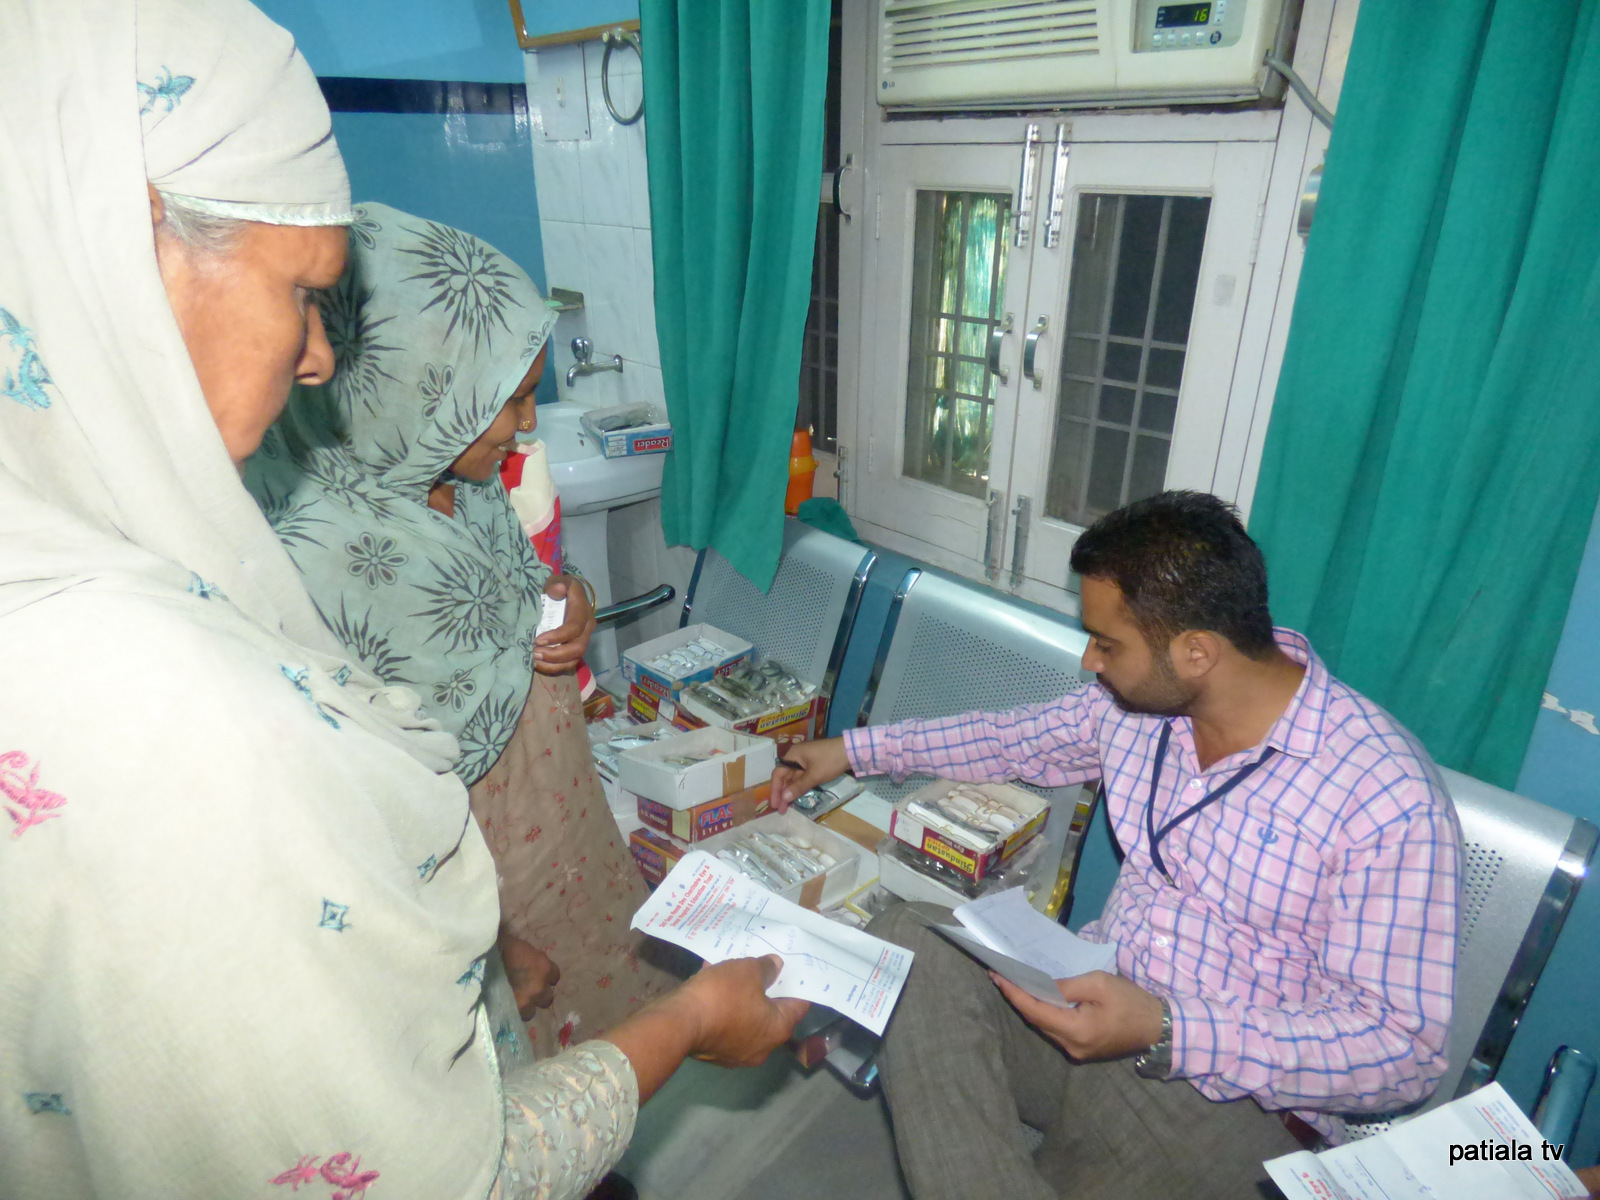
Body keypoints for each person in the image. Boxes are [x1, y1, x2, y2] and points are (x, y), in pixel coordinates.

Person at [0, 3, 804, 1198]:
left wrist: (566, 604)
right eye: (300, 293)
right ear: (137, 244)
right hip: (495, 897)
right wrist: (679, 1022)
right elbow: (440, 1166)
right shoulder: (182, 685)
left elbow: (520, 589)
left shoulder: (261, 532)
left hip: (549, 846)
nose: (317, 357)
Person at [774, 490, 1462, 1200]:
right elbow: (1009, 739)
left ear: (1197, 652)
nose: (1090, 659)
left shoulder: (1383, 795)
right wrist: (851, 751)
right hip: (1089, 1002)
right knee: (909, 939)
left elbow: (1402, 1053)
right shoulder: (1139, 709)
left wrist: (1169, 1029)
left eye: (1107, 643)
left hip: (1224, 1096)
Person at [245, 203, 679, 1050]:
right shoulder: (314, 551)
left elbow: (523, 586)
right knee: (525, 1061)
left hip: (562, 814)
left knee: (605, 1002)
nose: (526, 427)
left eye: (529, 397)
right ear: (411, 388)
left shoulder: (458, 475)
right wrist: (488, 939)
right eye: (509, 402)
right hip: (470, 862)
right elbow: (354, 805)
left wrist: (574, 596)